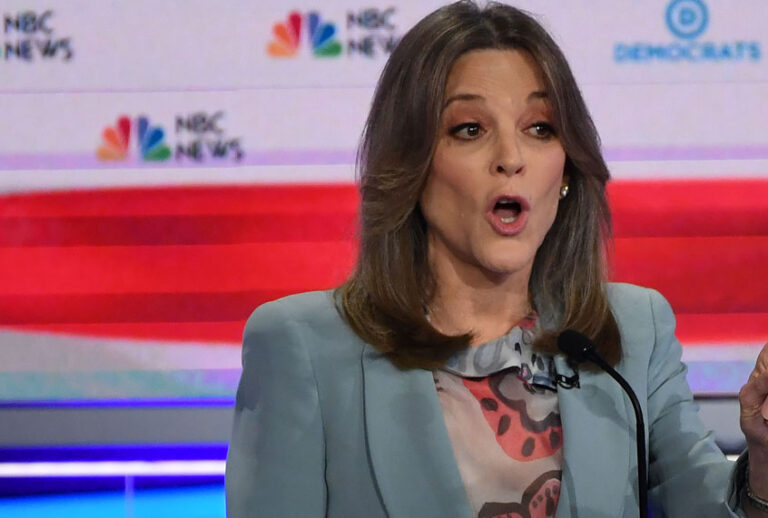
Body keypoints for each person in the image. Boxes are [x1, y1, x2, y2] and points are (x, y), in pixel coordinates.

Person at [225, 2, 768, 516]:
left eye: (539, 128)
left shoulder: (631, 331)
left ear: (566, 171)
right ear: (412, 164)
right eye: (469, 130)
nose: (511, 159)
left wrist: (764, 459)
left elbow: (706, 507)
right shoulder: (303, 347)